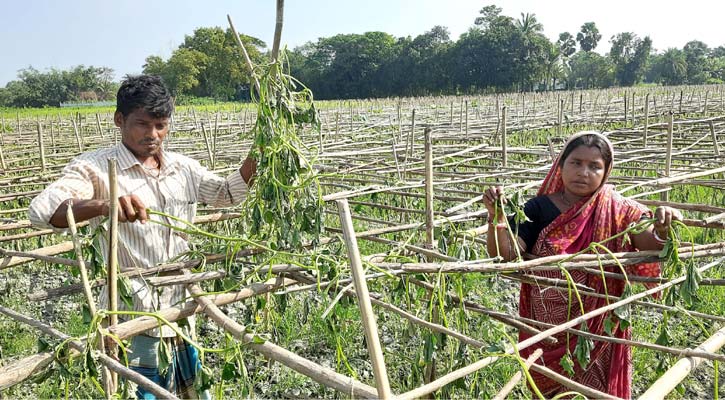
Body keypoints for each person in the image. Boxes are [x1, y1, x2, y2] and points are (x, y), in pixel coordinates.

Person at [29, 75, 256, 399]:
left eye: (161, 125)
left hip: (181, 308)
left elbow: (226, 193)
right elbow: (43, 211)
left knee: (191, 391)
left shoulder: (182, 168)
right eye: (143, 124)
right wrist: (103, 205)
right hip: (132, 316)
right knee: (143, 392)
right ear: (119, 120)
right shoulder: (94, 168)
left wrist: (261, 152)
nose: (153, 135)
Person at [482, 131, 682, 398]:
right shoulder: (538, 208)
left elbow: (651, 245)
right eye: (576, 163)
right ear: (561, 165)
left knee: (596, 388)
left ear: (606, 171)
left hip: (599, 319)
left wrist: (663, 229)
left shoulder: (618, 209)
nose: (583, 172)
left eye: (594, 166)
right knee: (550, 386)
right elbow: (508, 255)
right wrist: (496, 218)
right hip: (548, 324)